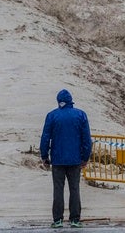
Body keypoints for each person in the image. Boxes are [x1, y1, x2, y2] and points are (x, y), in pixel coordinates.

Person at [40, 89, 92, 228]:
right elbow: (87, 139)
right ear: (71, 101)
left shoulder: (52, 116)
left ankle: (58, 220)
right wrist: (85, 157)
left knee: (58, 189)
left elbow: (45, 138)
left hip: (57, 159)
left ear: (58, 101)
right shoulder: (81, 115)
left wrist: (44, 156)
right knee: (74, 189)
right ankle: (75, 219)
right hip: (75, 159)